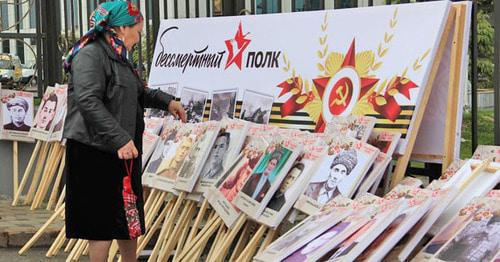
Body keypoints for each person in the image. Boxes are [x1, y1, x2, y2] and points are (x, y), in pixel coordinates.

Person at [62, 2, 186, 261]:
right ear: (120, 28)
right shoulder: (91, 54)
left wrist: (168, 102)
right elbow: (88, 100)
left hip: (123, 150)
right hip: (94, 150)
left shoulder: (119, 56)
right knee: (101, 224)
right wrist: (119, 138)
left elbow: (137, 92)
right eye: (137, 31)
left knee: (129, 219)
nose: (139, 37)